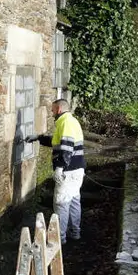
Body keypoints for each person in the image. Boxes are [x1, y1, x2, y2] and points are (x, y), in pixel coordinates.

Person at [26, 98, 84, 243]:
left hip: (68, 171)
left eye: (52, 110)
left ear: (58, 109)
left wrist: (60, 167)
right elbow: (56, 141)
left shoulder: (65, 123)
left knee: (61, 203)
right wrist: (39, 138)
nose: (52, 113)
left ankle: (59, 239)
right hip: (77, 170)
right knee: (74, 200)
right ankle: (75, 233)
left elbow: (66, 147)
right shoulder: (71, 121)